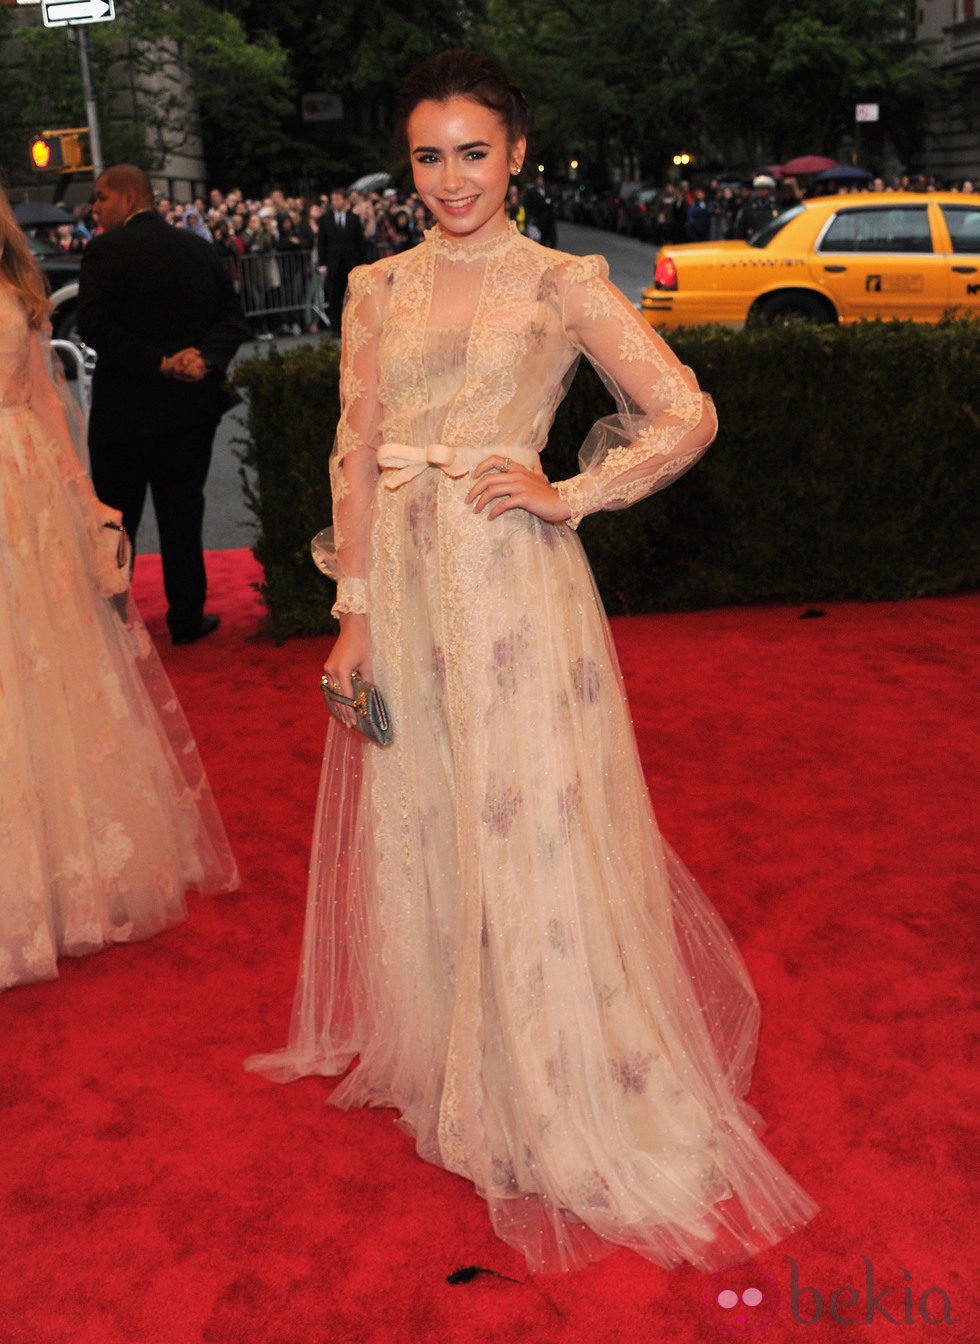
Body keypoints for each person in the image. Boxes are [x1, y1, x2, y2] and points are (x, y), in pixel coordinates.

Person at [247, 50, 817, 1273]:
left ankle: (554, 1080)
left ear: (514, 155)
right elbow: (355, 447)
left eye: (473, 152)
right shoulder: (374, 286)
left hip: (510, 592)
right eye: (427, 155)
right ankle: (463, 1057)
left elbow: (684, 409)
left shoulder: (559, 281)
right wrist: (349, 608)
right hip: (400, 587)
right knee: (431, 817)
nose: (450, 178)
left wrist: (569, 490)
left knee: (526, 824)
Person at [0, 183, 239, 992]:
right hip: (45, 474)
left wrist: (84, 497)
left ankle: (64, 880)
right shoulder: (185, 251)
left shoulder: (19, 291)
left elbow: (41, 398)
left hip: (28, 492)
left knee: (45, 664)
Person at [77, 164, 249, 645]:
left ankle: (113, 622)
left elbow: (94, 327)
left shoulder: (103, 252)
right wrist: (202, 360)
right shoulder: (197, 248)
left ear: (130, 198)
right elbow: (233, 320)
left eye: (101, 197)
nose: (95, 207)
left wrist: (159, 362)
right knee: (182, 515)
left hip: (123, 414)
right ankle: (187, 618)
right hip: (188, 412)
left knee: (116, 518)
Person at [316, 188, 365, 340]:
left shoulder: (354, 218)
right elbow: (321, 243)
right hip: (333, 264)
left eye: (338, 199)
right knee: (334, 297)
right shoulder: (325, 219)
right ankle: (336, 328)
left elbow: (360, 243)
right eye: (333, 199)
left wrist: (362, 265)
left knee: (354, 296)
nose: (335, 202)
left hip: (351, 263)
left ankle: (355, 326)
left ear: (345, 200)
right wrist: (322, 264)